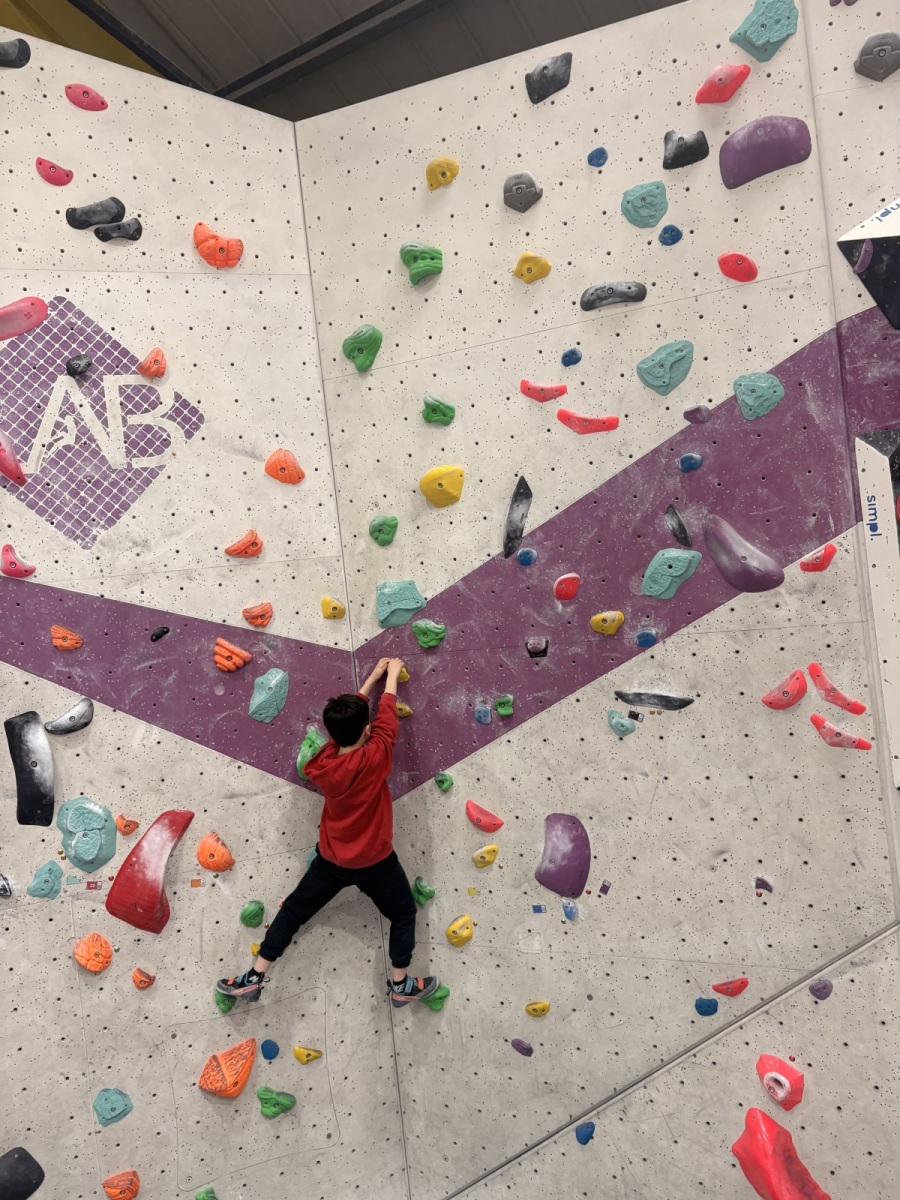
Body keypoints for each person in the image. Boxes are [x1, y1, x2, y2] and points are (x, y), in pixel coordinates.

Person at [216, 656, 440, 1009]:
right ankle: (400, 985)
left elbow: (350, 726)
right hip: (376, 862)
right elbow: (387, 719)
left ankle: (253, 977)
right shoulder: (376, 756)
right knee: (402, 914)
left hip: (332, 859)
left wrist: (370, 679)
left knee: (293, 911)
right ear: (366, 731)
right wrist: (391, 677)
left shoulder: (322, 762)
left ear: (332, 734)